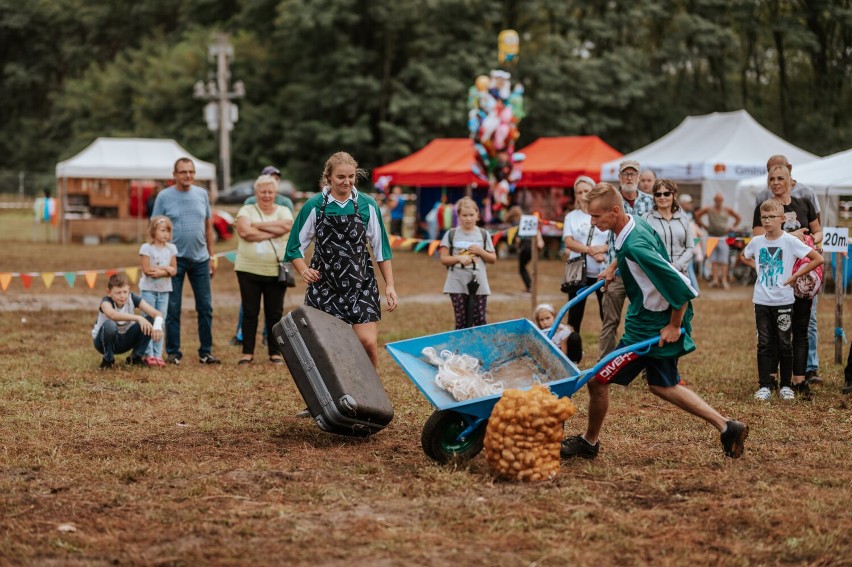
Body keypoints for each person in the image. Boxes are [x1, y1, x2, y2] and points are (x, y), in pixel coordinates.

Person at [561, 183, 749, 460]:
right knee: (662, 384)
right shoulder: (629, 224)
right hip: (644, 317)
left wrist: (674, 325)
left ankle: (589, 443)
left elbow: (681, 287)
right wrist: (613, 267)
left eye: (596, 216)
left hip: (651, 325)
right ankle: (726, 426)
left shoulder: (636, 244)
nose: (592, 222)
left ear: (614, 211)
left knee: (598, 380)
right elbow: (624, 249)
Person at [285, 151, 398, 368]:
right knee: (327, 348)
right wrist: (303, 269)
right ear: (329, 178)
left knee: (367, 342)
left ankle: (371, 394)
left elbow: (381, 249)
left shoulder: (367, 205)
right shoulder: (314, 205)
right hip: (324, 286)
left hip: (361, 283)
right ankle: (335, 397)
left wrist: (390, 285)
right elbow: (294, 247)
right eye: (341, 177)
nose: (347, 182)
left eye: (351, 176)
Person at [741, 198, 823, 401]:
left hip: (784, 301)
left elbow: (818, 259)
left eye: (771, 217)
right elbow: (744, 255)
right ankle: (765, 385)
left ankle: (786, 385)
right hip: (761, 301)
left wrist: (795, 276)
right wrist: (757, 269)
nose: (767, 221)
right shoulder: (757, 241)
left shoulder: (789, 241)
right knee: (765, 343)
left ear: (782, 219)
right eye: (764, 217)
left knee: (785, 343)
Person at [755, 155, 823, 385]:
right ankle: (772, 378)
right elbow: (757, 239)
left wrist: (812, 240)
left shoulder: (804, 203)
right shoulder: (764, 208)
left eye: (780, 178)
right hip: (778, 276)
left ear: (789, 178)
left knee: (802, 327)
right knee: (775, 331)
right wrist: (791, 236)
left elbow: (818, 230)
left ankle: (800, 379)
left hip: (802, 275)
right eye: (771, 178)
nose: (775, 182)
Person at [151, 157, 221, 365]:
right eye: (183, 172)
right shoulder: (163, 197)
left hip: (200, 259)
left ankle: (206, 352)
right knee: (173, 307)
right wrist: (158, 258)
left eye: (191, 172)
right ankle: (173, 352)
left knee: (205, 307)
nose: (188, 175)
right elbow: (154, 228)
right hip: (174, 260)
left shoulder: (201, 194)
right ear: (174, 175)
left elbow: (208, 226)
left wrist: (211, 256)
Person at [230, 165, 295, 348]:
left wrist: (257, 225)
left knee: (274, 313)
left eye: (270, 192)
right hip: (248, 269)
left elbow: (287, 226)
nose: (266, 195)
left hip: (276, 269)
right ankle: (247, 351)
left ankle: (275, 352)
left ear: (275, 193)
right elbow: (245, 232)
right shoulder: (247, 209)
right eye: (263, 192)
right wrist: (273, 232)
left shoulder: (284, 209)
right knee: (250, 312)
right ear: (256, 192)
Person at [598, 160, 654, 358]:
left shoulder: (651, 202)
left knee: (646, 318)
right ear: (619, 177)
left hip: (642, 272)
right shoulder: (609, 202)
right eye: (625, 174)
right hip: (616, 272)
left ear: (639, 177)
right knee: (610, 321)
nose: (629, 178)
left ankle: (648, 361)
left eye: (633, 174)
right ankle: (603, 364)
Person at [439, 197, 497, 329]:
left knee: (480, 320)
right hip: (456, 282)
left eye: (471, 215)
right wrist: (458, 259)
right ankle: (460, 348)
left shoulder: (483, 234)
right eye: (464, 215)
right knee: (461, 321)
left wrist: (480, 251)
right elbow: (444, 259)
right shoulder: (451, 234)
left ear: (477, 215)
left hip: (479, 282)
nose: (468, 218)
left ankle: (480, 347)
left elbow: (493, 259)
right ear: (458, 215)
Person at [562, 176, 608, 333]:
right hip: (578, 272)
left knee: (607, 314)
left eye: (586, 191)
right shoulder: (571, 217)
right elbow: (568, 242)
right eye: (579, 192)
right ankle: (573, 352)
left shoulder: (605, 213)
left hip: (603, 271)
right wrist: (591, 250)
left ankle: (610, 351)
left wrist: (602, 249)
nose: (582, 195)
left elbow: (615, 240)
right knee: (574, 314)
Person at [92, 274, 164, 369]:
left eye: (125, 292)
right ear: (108, 292)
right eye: (118, 293)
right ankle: (108, 360)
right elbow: (112, 315)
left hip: (125, 340)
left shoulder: (132, 298)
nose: (122, 296)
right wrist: (138, 318)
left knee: (149, 321)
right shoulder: (106, 302)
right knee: (110, 324)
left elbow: (157, 314)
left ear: (129, 290)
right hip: (102, 343)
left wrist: (157, 326)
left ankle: (136, 357)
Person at [138, 216, 178, 367]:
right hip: (148, 291)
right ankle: (148, 353)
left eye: (168, 231)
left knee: (160, 322)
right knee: (149, 320)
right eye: (162, 230)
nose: (165, 234)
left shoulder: (171, 249)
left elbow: (175, 270)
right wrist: (166, 269)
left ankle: (158, 354)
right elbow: (148, 270)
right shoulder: (146, 248)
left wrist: (163, 271)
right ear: (153, 231)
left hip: (164, 291)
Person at [643, 179, 696, 280]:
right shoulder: (646, 219)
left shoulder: (683, 219)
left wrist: (678, 265)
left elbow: (690, 247)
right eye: (658, 194)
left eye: (666, 194)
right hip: (655, 275)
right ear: (654, 197)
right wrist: (662, 266)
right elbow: (643, 248)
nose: (662, 197)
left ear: (674, 195)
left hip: (680, 275)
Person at [694, 193, 741, 289]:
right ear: (714, 200)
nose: (718, 202)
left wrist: (732, 228)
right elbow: (697, 214)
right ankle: (715, 280)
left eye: (720, 200)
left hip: (723, 237)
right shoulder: (709, 209)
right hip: (711, 236)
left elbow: (738, 217)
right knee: (713, 260)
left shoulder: (727, 209)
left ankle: (724, 280)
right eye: (717, 200)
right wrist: (703, 226)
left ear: (722, 200)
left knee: (724, 260)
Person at [505, 205, 543, 293]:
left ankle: (530, 286)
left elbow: (518, 238)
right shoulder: (525, 220)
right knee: (526, 267)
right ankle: (531, 286)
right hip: (533, 246)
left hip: (525, 246)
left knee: (521, 268)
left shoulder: (515, 223)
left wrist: (518, 247)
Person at [677, 193, 702, 292]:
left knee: (689, 268)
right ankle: (694, 289)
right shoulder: (681, 214)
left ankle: (695, 289)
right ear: (683, 203)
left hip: (688, 245)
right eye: (688, 203)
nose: (690, 205)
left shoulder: (688, 214)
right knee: (688, 268)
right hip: (684, 245)